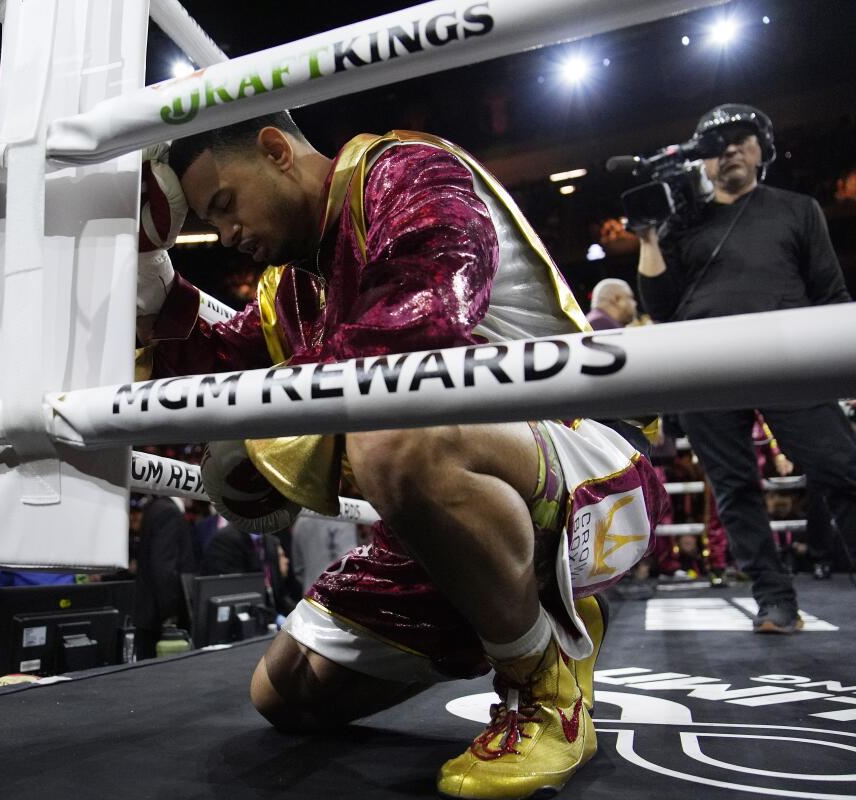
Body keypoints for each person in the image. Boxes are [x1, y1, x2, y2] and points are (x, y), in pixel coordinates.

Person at [136, 113, 668, 798]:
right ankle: (521, 610)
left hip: (588, 461)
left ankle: (546, 689)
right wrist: (144, 268)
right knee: (285, 693)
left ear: (275, 150)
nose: (227, 234)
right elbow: (216, 361)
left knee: (391, 420)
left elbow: (419, 335)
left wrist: (271, 440)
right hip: (459, 498)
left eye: (225, 204)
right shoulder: (291, 288)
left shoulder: (409, 174)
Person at [637, 103, 856, 633]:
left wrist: (844, 372)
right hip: (708, 365)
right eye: (717, 143)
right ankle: (774, 599)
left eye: (742, 138)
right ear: (702, 161)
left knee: (842, 470)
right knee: (734, 488)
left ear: (763, 149)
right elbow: (660, 305)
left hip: (791, 358)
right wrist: (647, 236)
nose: (730, 148)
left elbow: (830, 292)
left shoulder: (796, 209)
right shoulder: (682, 225)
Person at [133, 496, 194, 660]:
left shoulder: (156, 507)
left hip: (150, 614)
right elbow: (164, 569)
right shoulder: (169, 511)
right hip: (161, 621)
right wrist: (171, 617)